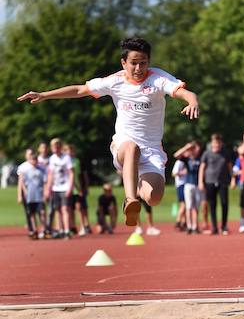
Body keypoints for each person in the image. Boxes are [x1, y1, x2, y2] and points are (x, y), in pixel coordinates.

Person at [17, 36, 199, 226]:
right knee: (131, 148)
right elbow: (80, 90)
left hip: (151, 149)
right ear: (124, 63)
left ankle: (135, 187)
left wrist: (192, 101)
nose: (138, 68)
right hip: (124, 145)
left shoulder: (158, 79)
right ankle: (130, 200)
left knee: (154, 198)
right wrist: (44, 95)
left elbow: (185, 93)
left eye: (143, 63)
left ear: (149, 61)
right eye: (133, 63)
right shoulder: (115, 81)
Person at [198, 133, 235, 235]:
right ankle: (214, 226)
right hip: (210, 181)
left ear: (221, 143)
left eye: (219, 143)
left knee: (224, 203)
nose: (217, 145)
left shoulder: (226, 153)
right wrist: (200, 181)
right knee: (212, 204)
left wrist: (233, 179)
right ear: (211, 143)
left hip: (223, 181)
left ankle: (223, 226)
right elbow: (202, 168)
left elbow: (230, 167)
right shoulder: (207, 154)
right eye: (215, 143)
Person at [46, 138, 74, 240]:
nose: (55, 149)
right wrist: (48, 189)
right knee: (58, 210)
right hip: (56, 188)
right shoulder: (52, 158)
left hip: (65, 186)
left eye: (57, 147)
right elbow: (51, 175)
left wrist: (70, 188)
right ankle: (61, 230)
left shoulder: (66, 158)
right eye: (53, 148)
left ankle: (67, 231)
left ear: (60, 147)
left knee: (65, 208)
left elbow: (71, 173)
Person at [173, 140, 202, 234]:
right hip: (188, 184)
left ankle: (195, 225)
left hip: (197, 184)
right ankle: (189, 226)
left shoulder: (199, 159)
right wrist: (186, 148)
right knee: (188, 206)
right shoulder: (187, 159)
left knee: (196, 206)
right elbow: (176, 155)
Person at [22, 152, 47, 239]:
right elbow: (23, 182)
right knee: (32, 214)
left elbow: (45, 182)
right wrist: (25, 192)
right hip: (31, 196)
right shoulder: (27, 171)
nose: (34, 162)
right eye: (32, 160)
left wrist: (45, 193)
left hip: (39, 195)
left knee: (42, 212)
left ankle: (44, 230)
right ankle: (35, 231)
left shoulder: (41, 170)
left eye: (35, 160)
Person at [17, 147, 35, 236]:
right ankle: (31, 229)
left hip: (36, 190)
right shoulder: (23, 166)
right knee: (29, 211)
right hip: (27, 190)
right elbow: (21, 181)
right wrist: (21, 194)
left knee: (40, 210)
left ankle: (43, 229)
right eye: (28, 154)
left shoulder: (36, 165)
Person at [171, 158, 187, 231]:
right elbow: (173, 174)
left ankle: (184, 223)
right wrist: (183, 172)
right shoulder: (179, 162)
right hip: (181, 185)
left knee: (185, 205)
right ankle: (178, 222)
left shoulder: (188, 160)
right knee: (183, 205)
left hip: (186, 184)